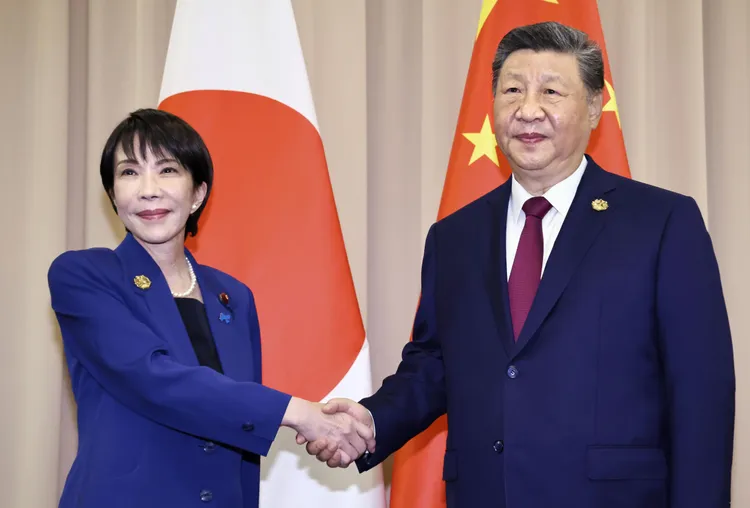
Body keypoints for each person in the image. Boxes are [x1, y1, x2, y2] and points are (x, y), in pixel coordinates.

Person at [302, 21, 736, 508]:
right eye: (512, 90)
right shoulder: (454, 236)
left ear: (595, 106)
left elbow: (701, 392)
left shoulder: (661, 222)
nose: (528, 110)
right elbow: (435, 365)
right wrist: (371, 421)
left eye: (551, 91)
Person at [47, 108, 374, 508]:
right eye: (129, 172)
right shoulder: (83, 275)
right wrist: (298, 412)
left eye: (167, 170)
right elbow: (152, 378)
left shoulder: (233, 296)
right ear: (113, 195)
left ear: (198, 193)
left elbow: (239, 437)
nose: (148, 189)